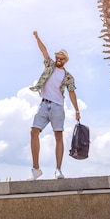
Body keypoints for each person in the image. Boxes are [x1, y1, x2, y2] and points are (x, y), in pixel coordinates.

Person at [28, 31, 80, 180]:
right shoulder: (49, 66)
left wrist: (77, 110)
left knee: (58, 136)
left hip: (58, 106)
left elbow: (71, 93)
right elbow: (43, 51)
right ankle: (36, 169)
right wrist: (37, 38)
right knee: (33, 132)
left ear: (65, 60)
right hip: (44, 104)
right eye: (57, 57)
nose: (58, 59)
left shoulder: (68, 76)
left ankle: (58, 169)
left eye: (61, 58)